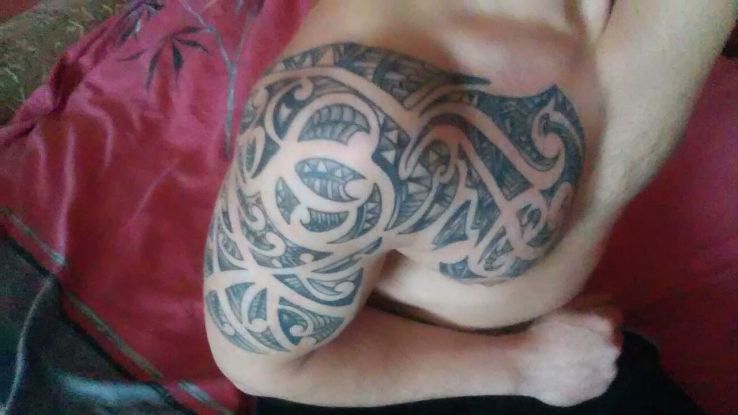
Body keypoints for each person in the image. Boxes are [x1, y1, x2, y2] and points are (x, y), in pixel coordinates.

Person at [202, 0, 735, 412]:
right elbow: (265, 368)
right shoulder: (341, 141)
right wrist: (525, 366)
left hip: (566, 332)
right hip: (383, 370)